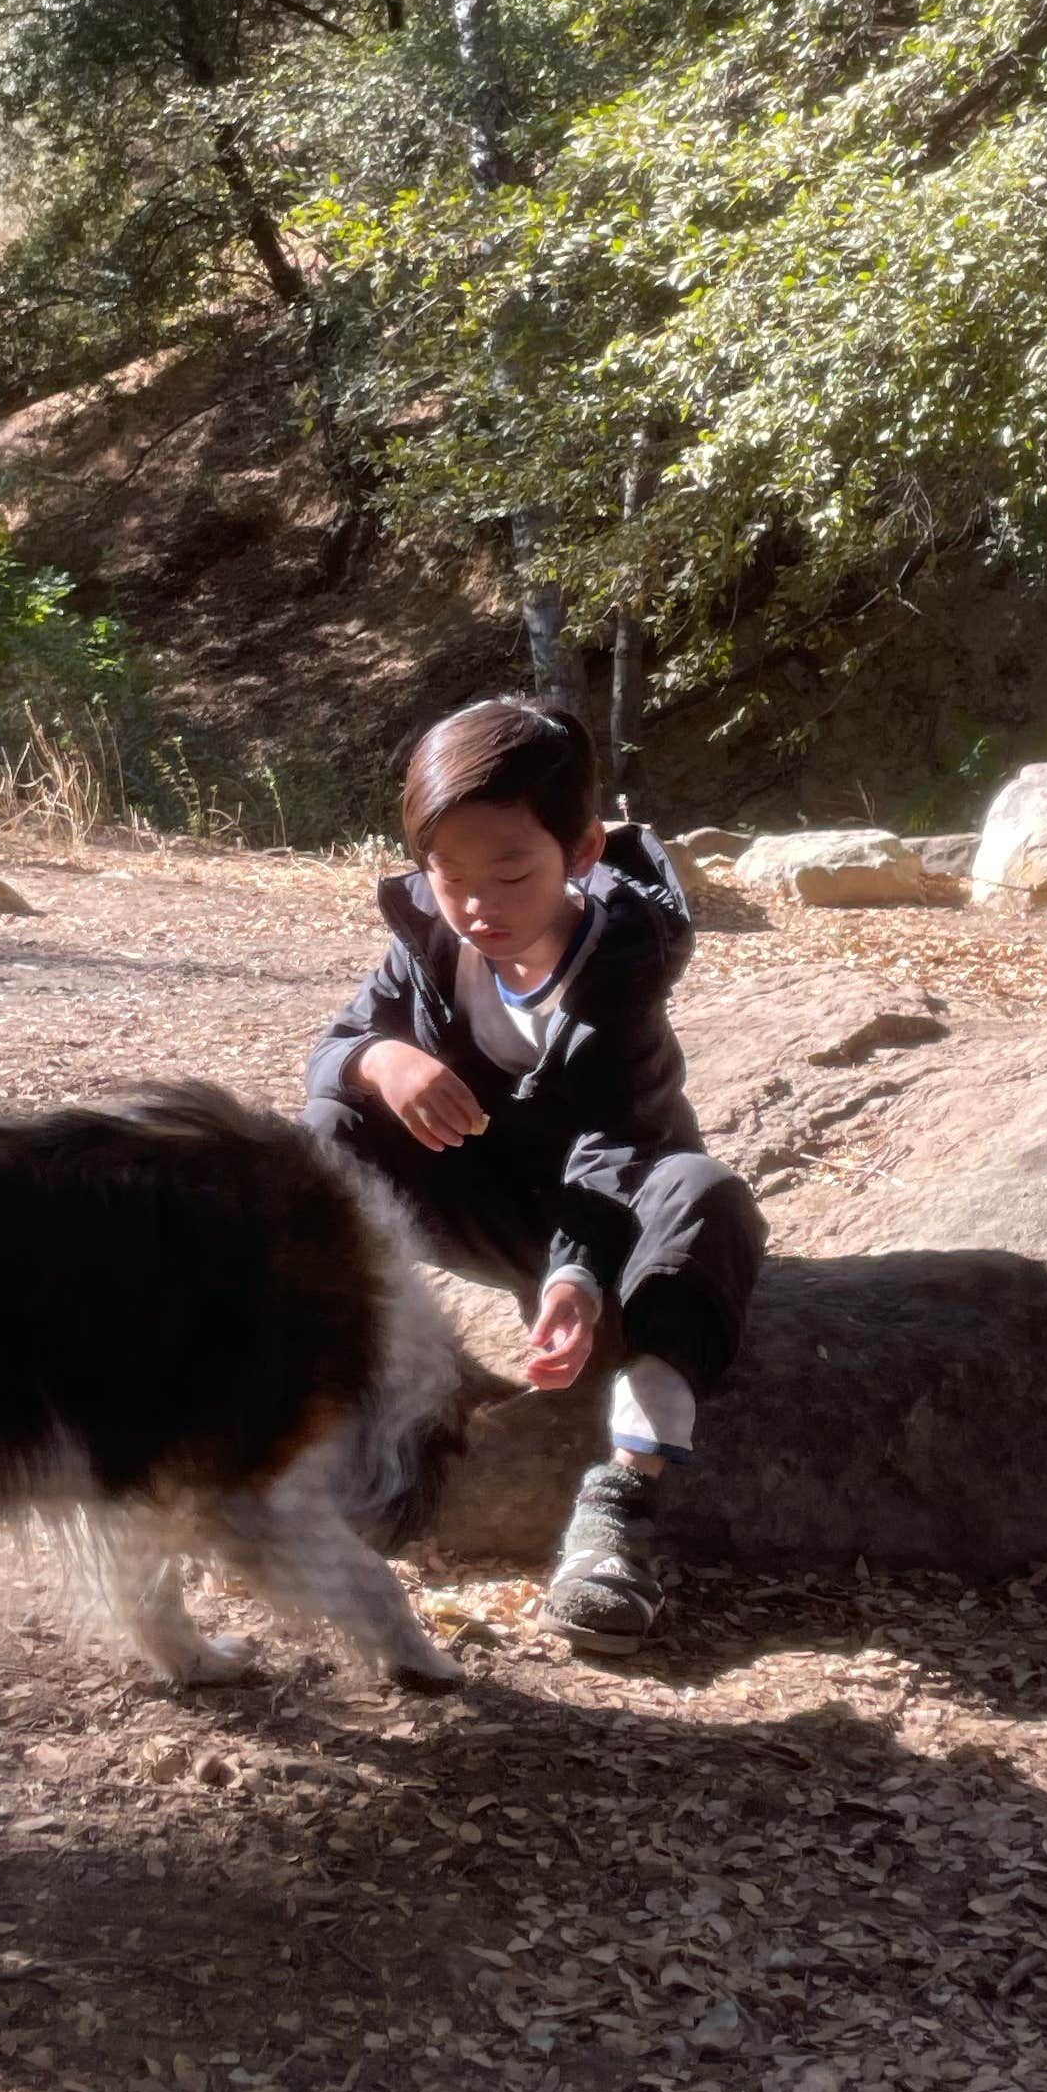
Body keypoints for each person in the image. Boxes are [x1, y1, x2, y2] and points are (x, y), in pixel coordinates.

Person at [301, 696, 764, 1645]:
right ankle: (351, 1392)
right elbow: (339, 1042)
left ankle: (616, 1518)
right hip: (491, 1199)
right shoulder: (431, 933)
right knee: (335, 1114)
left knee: (706, 1198)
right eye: (449, 873)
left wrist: (579, 1274)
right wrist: (381, 1060)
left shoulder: (620, 964)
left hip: (617, 1203)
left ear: (582, 852)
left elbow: (615, 1142)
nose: (478, 905)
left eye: (512, 873)